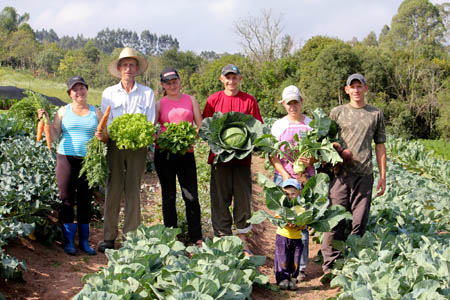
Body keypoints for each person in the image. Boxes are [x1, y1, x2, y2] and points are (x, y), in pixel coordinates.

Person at [321, 73, 386, 282]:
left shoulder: (375, 114)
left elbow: (380, 145)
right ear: (346, 90)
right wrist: (337, 152)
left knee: (359, 223)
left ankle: (352, 264)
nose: (356, 90)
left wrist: (383, 175)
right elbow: (326, 142)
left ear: (366, 89)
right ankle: (330, 266)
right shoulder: (337, 113)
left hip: (365, 175)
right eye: (353, 87)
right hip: (340, 175)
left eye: (360, 86)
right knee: (335, 221)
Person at [38, 76, 107, 255]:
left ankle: (84, 242)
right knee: (66, 199)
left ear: (86, 90)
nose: (79, 92)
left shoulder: (96, 112)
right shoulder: (62, 112)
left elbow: (105, 137)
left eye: (82, 88)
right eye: (75, 89)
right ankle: (69, 242)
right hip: (65, 159)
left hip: (89, 162)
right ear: (70, 93)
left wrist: (102, 137)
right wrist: (45, 120)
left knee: (85, 201)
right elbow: (53, 135)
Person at [97, 47, 156, 252]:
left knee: (133, 190)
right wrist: (117, 134)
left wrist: (136, 135)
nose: (128, 68)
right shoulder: (109, 93)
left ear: (137, 68)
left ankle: (131, 238)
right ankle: (108, 238)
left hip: (138, 147)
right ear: (119, 68)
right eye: (125, 65)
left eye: (132, 65)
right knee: (113, 188)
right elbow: (108, 120)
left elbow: (150, 121)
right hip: (114, 145)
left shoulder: (147, 93)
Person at [202, 64, 263, 255]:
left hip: (242, 159)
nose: (231, 81)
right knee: (220, 199)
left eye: (234, 77)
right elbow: (206, 128)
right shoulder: (213, 100)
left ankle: (243, 240)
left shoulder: (249, 101)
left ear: (240, 79)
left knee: (243, 198)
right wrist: (218, 145)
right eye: (227, 78)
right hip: (219, 160)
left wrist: (248, 144)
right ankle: (222, 238)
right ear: (222, 79)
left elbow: (256, 127)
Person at [154, 67, 203, 246]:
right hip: (164, 154)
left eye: (174, 81)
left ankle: (196, 236)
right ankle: (171, 236)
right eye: (168, 83)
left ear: (179, 81)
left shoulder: (191, 100)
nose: (172, 85)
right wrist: (162, 139)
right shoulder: (159, 104)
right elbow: (152, 130)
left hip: (185, 153)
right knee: (168, 196)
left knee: (190, 196)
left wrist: (189, 137)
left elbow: (200, 125)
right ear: (163, 85)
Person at [270, 85, 313, 281]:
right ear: (284, 105)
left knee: (302, 224)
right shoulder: (278, 126)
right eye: (289, 103)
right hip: (284, 179)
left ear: (301, 102)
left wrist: (310, 161)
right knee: (284, 224)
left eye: (296, 102)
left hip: (306, 180)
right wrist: (285, 175)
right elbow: (272, 155)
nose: (293, 106)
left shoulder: (312, 124)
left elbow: (318, 155)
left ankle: (301, 267)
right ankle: (285, 268)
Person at [275, 179, 305, 291]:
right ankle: (283, 279)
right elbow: (277, 219)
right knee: (282, 258)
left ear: (298, 193)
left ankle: (293, 279)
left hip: (297, 238)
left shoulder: (301, 208)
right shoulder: (281, 206)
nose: (290, 196)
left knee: (295, 260)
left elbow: (305, 223)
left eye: (293, 193)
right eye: (287, 194)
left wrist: (299, 225)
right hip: (283, 236)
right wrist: (287, 223)